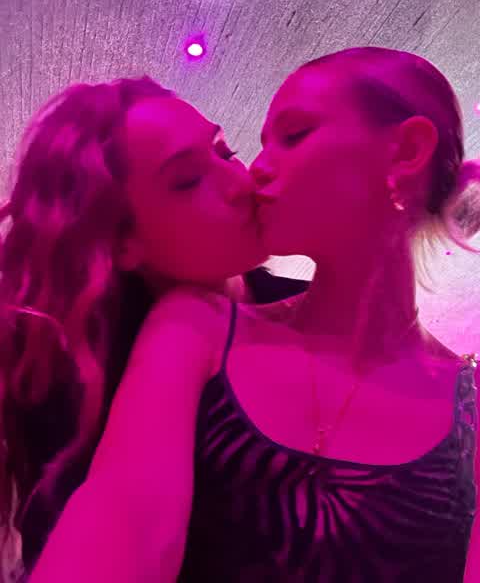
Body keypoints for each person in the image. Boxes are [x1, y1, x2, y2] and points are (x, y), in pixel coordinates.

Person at [29, 48, 479, 582]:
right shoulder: (192, 327)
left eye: (293, 135)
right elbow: (125, 523)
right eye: (186, 180)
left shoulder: (469, 403)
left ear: (405, 150)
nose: (252, 173)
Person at [0, 76, 307, 579]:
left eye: (224, 152)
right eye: (187, 181)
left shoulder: (308, 311)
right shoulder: (83, 388)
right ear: (122, 243)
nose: (241, 183)